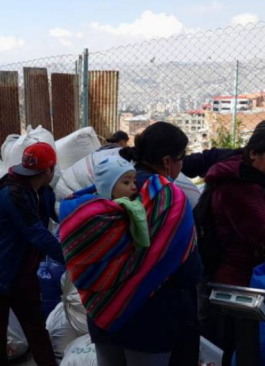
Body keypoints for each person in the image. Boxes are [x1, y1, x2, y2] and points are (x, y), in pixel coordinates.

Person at [79, 122, 201, 366]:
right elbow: (189, 271)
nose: (182, 164)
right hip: (150, 318)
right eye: (181, 158)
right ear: (167, 161)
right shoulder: (170, 197)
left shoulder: (107, 186)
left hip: (103, 310)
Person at [198, 120, 265, 365]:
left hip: (251, 279)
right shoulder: (239, 186)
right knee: (236, 351)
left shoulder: (259, 181)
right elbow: (261, 234)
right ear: (253, 153)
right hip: (235, 287)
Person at [0, 143, 63, 366]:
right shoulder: (13, 194)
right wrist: (74, 259)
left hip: (22, 270)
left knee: (36, 329)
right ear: (49, 170)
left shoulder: (43, 191)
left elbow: (58, 215)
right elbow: (38, 235)